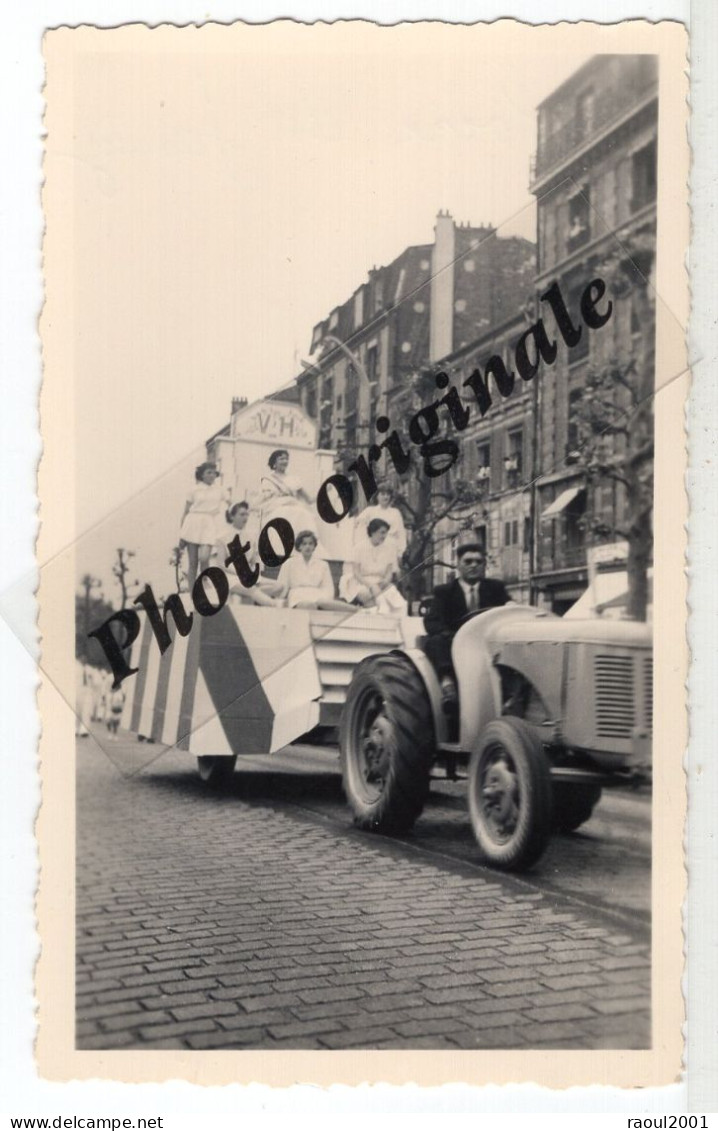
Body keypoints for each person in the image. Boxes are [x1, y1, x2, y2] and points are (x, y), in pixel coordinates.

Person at [423, 542, 511, 706]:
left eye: (478, 562)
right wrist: (452, 635)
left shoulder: (496, 588)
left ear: (484, 565)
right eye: (468, 561)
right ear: (458, 564)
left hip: (488, 644)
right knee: (435, 641)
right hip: (455, 644)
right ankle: (447, 683)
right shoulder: (444, 591)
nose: (473, 566)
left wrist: (511, 606)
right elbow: (432, 622)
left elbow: (508, 612)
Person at [216, 501, 282, 607]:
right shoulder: (222, 537)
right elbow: (221, 563)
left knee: (279, 586)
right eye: (242, 514)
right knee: (250, 589)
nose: (245, 517)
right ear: (232, 517)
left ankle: (243, 594)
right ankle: (276, 604)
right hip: (229, 576)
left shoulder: (251, 537)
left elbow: (254, 559)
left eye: (247, 514)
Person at [340, 518, 407, 615]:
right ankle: (379, 616)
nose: (384, 536)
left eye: (386, 533)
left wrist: (384, 582)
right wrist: (371, 585)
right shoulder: (359, 547)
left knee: (396, 599)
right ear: (372, 532)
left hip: (381, 582)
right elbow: (357, 573)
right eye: (382, 533)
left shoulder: (389, 549)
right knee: (372, 600)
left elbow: (389, 573)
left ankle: (396, 622)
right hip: (361, 583)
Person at [180, 462, 229, 587]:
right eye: (209, 472)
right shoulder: (193, 489)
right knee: (193, 563)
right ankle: (192, 593)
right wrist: (181, 535)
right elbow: (185, 511)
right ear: (202, 475)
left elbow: (231, 503)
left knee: (204, 558)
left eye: (214, 473)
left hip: (208, 523)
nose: (212, 475)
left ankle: (204, 583)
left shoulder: (219, 490)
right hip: (192, 523)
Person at [272, 530, 346, 609]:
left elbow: (328, 588)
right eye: (304, 544)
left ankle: (357, 611)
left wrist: (326, 599)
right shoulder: (289, 563)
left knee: (324, 603)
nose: (308, 547)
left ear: (314, 546)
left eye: (311, 544)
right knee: (308, 605)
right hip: (297, 594)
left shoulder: (323, 565)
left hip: (317, 594)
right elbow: (282, 584)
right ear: (299, 546)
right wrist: (281, 600)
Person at [259, 449, 319, 542]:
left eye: (286, 459)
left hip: (294, 505)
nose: (285, 461)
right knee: (284, 514)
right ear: (274, 462)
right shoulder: (268, 479)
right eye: (281, 459)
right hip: (275, 508)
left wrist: (324, 493)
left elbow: (309, 499)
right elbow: (265, 498)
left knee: (305, 514)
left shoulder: (294, 479)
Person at [353, 483, 407, 576]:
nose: (385, 497)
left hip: (390, 547)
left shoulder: (395, 513)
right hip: (374, 548)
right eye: (382, 494)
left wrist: (400, 553)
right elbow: (357, 524)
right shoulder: (370, 511)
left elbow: (401, 533)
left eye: (388, 494)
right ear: (377, 496)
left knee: (390, 575)